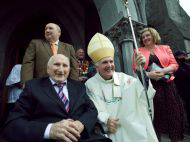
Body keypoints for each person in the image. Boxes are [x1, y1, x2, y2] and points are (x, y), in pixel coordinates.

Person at [2, 54, 111, 142]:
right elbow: (13, 124)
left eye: (65, 65)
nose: (61, 69)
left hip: (82, 137)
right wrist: (50, 130)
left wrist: (81, 124)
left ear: (69, 69)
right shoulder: (33, 87)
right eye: (56, 64)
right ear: (48, 69)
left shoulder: (79, 87)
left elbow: (91, 110)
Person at [85, 33, 158, 142]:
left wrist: (140, 71)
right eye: (105, 62)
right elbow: (93, 107)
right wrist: (105, 119)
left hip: (134, 131)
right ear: (97, 66)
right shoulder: (90, 84)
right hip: (112, 130)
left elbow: (142, 93)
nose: (109, 65)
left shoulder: (124, 78)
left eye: (111, 61)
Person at [133, 27, 184, 142]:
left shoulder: (165, 48)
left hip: (168, 84)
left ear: (154, 35)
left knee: (173, 112)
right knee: (155, 115)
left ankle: (176, 138)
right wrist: (149, 75)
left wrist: (163, 71)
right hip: (151, 86)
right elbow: (135, 69)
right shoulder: (138, 51)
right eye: (143, 36)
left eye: (147, 35)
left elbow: (174, 65)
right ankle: (155, 139)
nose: (145, 38)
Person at [174, 50, 190, 128]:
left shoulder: (186, 65)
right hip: (184, 92)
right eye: (182, 55)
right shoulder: (176, 67)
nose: (184, 57)